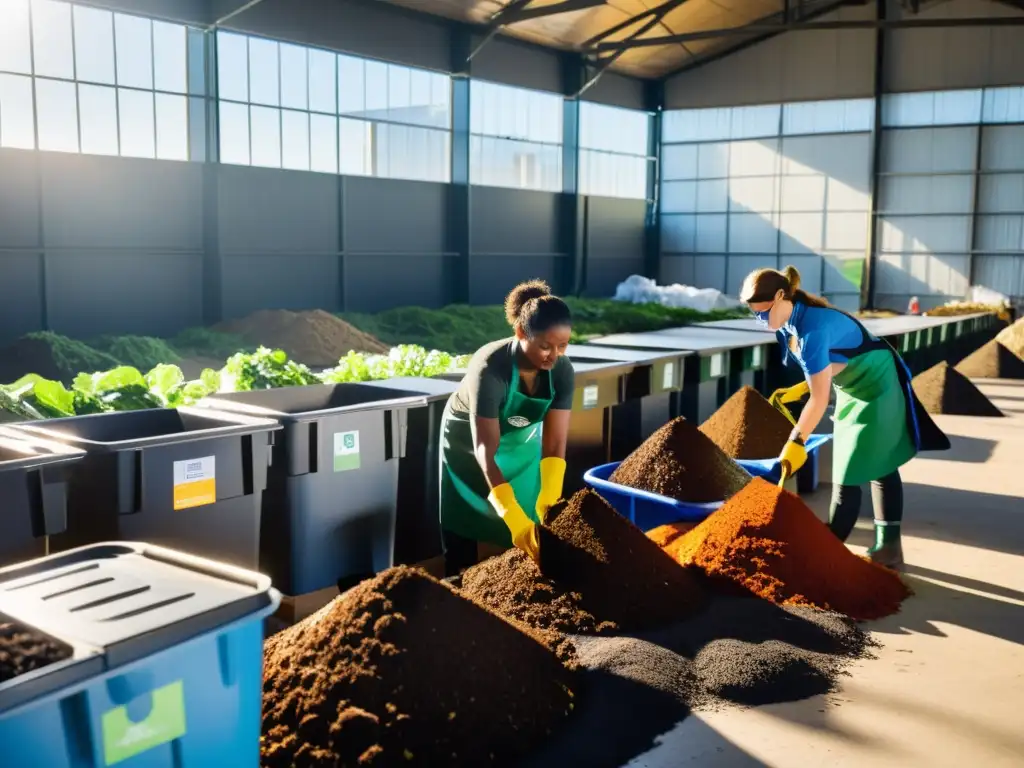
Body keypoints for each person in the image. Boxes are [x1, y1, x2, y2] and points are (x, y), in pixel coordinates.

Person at [741, 265, 948, 569]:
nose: (760, 320)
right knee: (876, 462)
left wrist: (796, 441)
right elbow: (834, 363)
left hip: (877, 383)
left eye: (762, 313)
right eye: (754, 315)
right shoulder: (788, 323)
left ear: (781, 296)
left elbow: (820, 398)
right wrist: (803, 387)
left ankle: (829, 555)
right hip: (852, 385)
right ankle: (887, 549)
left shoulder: (812, 329)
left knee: (851, 471)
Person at [439, 280, 575, 577]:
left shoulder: (562, 370)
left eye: (562, 346)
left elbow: (555, 443)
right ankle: (458, 574)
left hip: (522, 439)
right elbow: (485, 452)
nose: (553, 355)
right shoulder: (490, 368)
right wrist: (512, 516)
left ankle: (514, 576)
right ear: (520, 333)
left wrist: (550, 497)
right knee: (466, 514)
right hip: (469, 439)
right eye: (544, 346)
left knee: (532, 507)